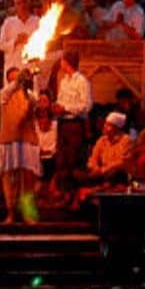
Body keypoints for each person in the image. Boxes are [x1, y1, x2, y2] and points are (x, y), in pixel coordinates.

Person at [0, 67, 40, 224]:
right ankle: (11, 213)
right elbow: (9, 90)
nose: (18, 81)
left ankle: (28, 213)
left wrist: (27, 84)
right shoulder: (4, 95)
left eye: (19, 78)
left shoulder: (29, 96)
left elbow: (35, 100)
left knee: (27, 180)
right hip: (9, 141)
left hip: (27, 140)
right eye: (13, 78)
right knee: (9, 180)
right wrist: (18, 81)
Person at [52, 49, 92, 206]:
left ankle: (74, 196)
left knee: (73, 160)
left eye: (62, 60)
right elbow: (61, 101)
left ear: (68, 62)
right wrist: (57, 108)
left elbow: (87, 106)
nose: (60, 63)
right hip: (63, 124)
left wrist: (67, 109)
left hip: (75, 125)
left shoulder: (82, 81)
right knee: (61, 160)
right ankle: (63, 193)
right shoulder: (63, 81)